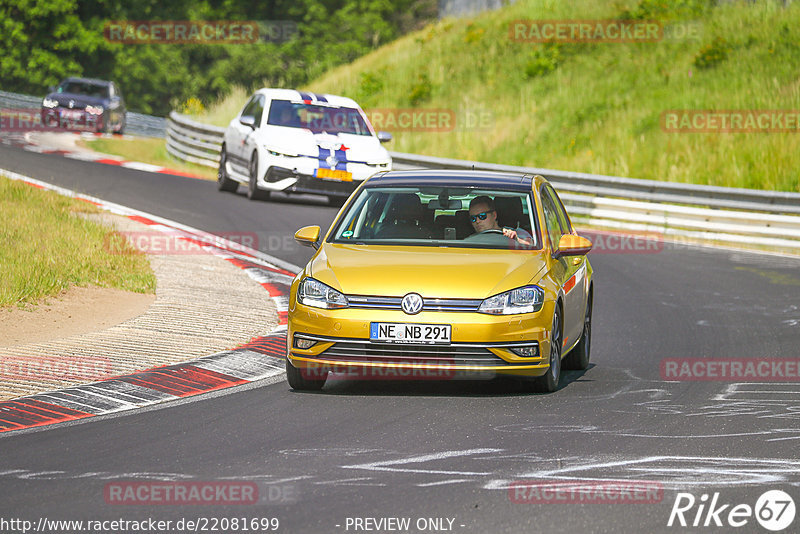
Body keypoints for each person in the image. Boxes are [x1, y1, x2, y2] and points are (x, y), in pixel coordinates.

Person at [465, 195, 533, 246]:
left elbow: (532, 247)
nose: (477, 221)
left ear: (494, 215)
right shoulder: (469, 240)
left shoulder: (516, 232)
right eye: (473, 218)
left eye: (482, 216)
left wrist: (517, 240)